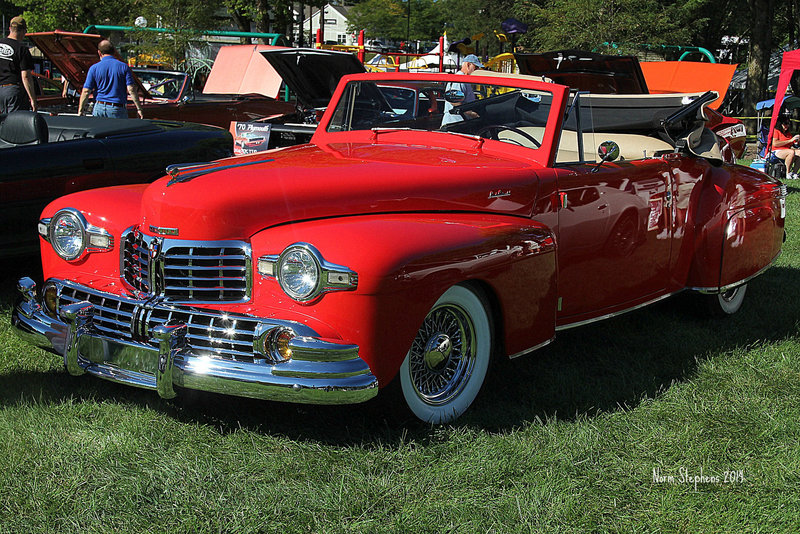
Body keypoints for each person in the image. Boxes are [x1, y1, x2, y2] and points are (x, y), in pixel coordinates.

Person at [78, 40, 144, 119]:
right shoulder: (124, 67)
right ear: (114, 51)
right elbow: (131, 89)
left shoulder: (94, 68)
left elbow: (86, 91)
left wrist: (80, 110)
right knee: (117, 131)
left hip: (99, 107)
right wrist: (139, 108)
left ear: (99, 53)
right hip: (117, 109)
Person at [0, 16, 38, 114]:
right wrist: (33, 99)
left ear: (9, 29)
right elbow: (25, 76)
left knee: (2, 124)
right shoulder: (22, 49)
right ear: (23, 31)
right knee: (14, 125)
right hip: (13, 91)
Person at [441, 54, 483, 127]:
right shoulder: (460, 80)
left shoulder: (463, 79)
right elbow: (454, 100)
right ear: (468, 65)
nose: (476, 70)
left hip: (459, 122)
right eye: (475, 67)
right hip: (455, 123)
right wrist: (471, 113)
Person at [772, 115, 800, 180]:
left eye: (788, 124)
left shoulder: (788, 133)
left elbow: (793, 145)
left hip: (787, 150)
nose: (787, 126)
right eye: (785, 124)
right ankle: (788, 173)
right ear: (780, 124)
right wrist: (790, 140)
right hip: (777, 151)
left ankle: (794, 173)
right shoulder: (776, 131)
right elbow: (775, 144)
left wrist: (796, 142)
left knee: (799, 152)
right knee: (791, 152)